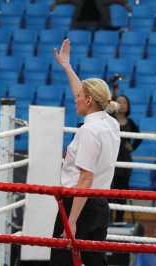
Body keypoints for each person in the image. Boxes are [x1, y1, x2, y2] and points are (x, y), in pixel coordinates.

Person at [50, 39, 120, 266]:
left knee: (62, 260)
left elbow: (86, 178)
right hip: (100, 204)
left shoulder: (89, 130)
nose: (75, 98)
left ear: (89, 100)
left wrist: (71, 220)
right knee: (95, 261)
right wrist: (67, 67)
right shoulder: (110, 123)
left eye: (79, 96)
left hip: (80, 204)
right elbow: (85, 95)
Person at [110, 94, 142, 223]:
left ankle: (119, 221)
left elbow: (139, 137)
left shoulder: (131, 122)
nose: (122, 105)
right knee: (109, 192)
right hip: (111, 160)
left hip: (125, 160)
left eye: (125, 102)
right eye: (119, 102)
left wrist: (132, 147)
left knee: (122, 193)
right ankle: (107, 221)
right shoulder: (110, 119)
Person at [50, 0, 131, 32]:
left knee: (91, 29)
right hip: (78, 22)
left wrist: (124, 3)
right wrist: (56, 3)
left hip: (94, 22)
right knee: (72, 32)